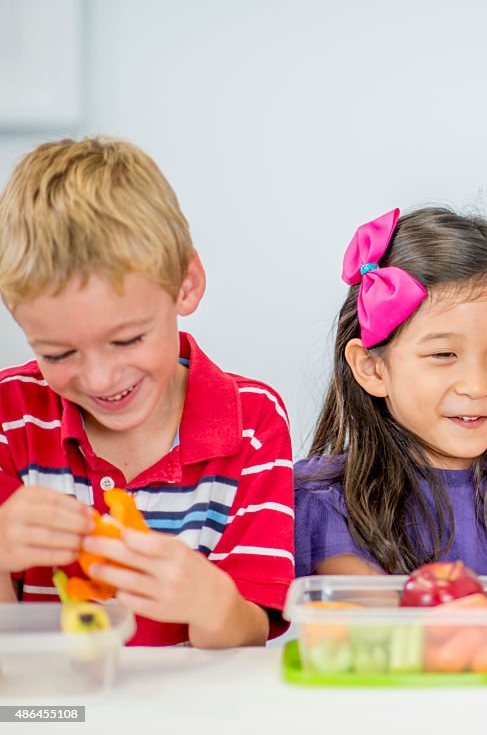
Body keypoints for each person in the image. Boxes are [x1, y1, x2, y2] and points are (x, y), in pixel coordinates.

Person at [0, 137, 294, 647]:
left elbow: (250, 633)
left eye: (127, 339)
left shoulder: (253, 421)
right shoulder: (12, 415)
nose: (99, 379)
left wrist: (209, 599)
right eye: (58, 354)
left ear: (186, 284)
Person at [295, 207, 487, 659]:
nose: (478, 385)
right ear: (372, 367)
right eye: (443, 354)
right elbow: (375, 629)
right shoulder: (328, 505)